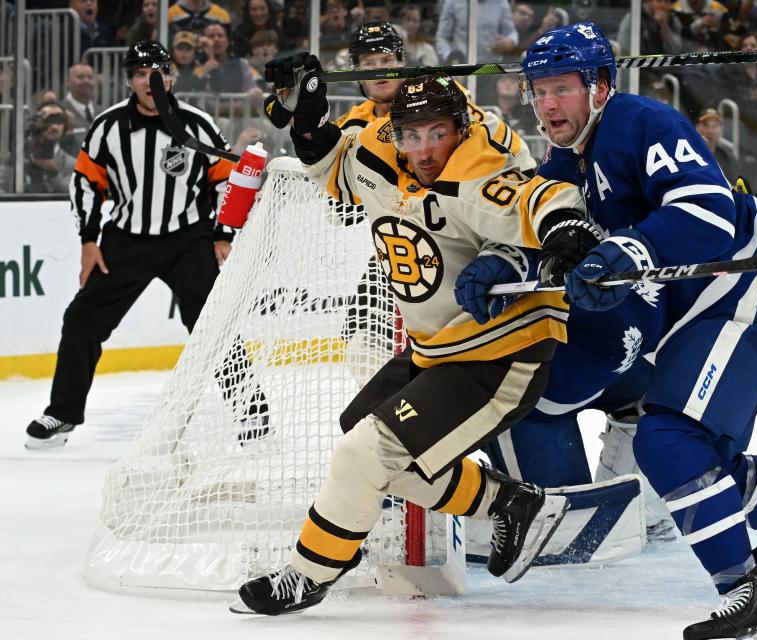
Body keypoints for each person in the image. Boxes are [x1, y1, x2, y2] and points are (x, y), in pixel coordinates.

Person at [487, 22, 757, 637]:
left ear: (600, 86)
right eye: (539, 90)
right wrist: (510, 262)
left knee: (667, 441)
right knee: (700, 461)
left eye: (562, 89)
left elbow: (706, 212)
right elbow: (556, 235)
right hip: (701, 313)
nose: (548, 104)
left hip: (749, 292)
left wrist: (627, 249)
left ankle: (747, 592)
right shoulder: (563, 159)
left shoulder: (640, 123)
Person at [231, 57, 588, 614]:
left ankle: (309, 572)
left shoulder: (476, 166)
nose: (424, 150)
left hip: (501, 353)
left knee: (363, 454)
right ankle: (508, 504)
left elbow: (541, 198)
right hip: (436, 349)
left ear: (459, 129)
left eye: (437, 133)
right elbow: (332, 169)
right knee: (362, 437)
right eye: (412, 134)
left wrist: (567, 230)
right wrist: (306, 120)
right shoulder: (376, 148)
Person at [23, 42, 247, 449]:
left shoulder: (197, 123)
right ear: (130, 80)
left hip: (188, 239)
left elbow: (228, 181)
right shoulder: (108, 126)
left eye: (158, 71)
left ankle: (250, 411)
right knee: (81, 320)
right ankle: (63, 412)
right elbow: (87, 184)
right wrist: (89, 241)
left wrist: (222, 235)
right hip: (126, 239)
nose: (151, 80)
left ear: (172, 77)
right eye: (141, 73)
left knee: (214, 325)